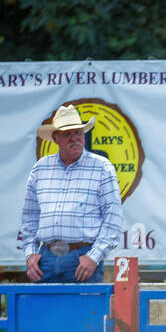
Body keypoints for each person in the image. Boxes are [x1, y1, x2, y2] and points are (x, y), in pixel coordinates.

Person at [21, 104, 123, 283]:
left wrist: (94, 256)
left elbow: (113, 219)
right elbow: (30, 217)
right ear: (55, 138)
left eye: (78, 133)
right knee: (46, 311)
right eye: (68, 134)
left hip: (82, 258)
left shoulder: (102, 168)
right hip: (45, 259)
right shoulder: (40, 168)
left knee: (85, 311)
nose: (75, 138)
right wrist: (31, 254)